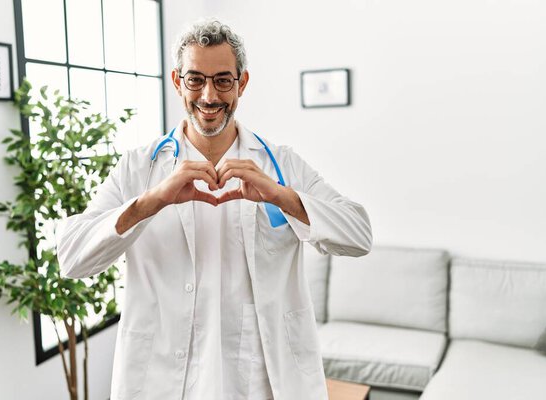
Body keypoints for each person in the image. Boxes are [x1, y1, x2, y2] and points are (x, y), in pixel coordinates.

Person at [56, 18, 372, 400]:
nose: (208, 96)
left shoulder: (280, 164)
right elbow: (72, 259)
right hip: (167, 380)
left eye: (223, 80)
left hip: (259, 380)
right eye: (195, 79)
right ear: (177, 81)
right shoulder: (140, 168)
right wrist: (151, 201)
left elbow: (358, 236)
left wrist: (279, 195)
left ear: (242, 83)